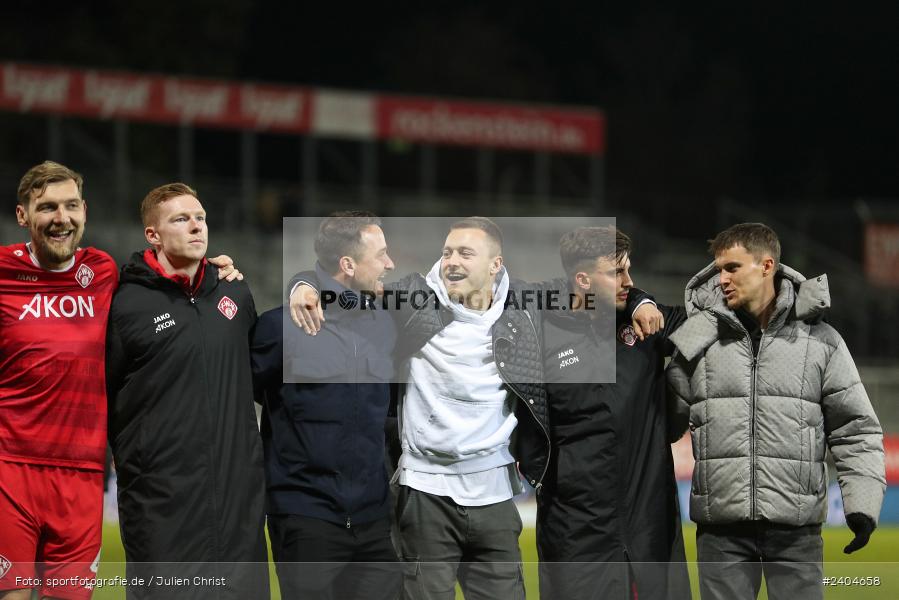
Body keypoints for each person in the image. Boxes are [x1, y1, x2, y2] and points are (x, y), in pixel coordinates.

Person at [666, 222, 886, 600]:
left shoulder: (821, 341)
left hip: (796, 533)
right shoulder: (697, 339)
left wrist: (862, 506)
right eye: (718, 269)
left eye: (732, 267)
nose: (722, 279)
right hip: (721, 534)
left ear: (766, 266)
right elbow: (659, 423)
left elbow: (856, 429)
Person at [105, 183, 268, 600]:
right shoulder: (125, 305)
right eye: (181, 219)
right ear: (152, 235)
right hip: (162, 506)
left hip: (236, 503)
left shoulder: (234, 291)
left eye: (200, 217)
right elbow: (103, 395)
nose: (197, 226)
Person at [251, 212, 401, 600]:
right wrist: (302, 283)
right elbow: (238, 401)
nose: (390, 263)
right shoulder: (279, 328)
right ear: (348, 264)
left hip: (372, 520)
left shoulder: (385, 323)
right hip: (305, 517)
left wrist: (303, 280)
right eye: (382, 254)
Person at [537, 226, 691, 600]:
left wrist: (641, 299)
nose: (629, 280)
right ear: (583, 279)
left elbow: (710, 317)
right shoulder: (539, 331)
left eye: (629, 271)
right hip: (575, 528)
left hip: (647, 525)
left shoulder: (645, 325)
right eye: (617, 273)